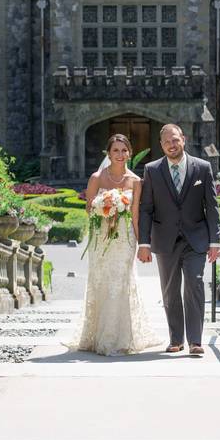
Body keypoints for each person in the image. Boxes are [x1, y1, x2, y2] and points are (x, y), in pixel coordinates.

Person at [71, 134, 160, 356]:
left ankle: (120, 337)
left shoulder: (136, 182)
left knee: (122, 282)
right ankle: (96, 334)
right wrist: (104, 207)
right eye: (115, 151)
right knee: (101, 281)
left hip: (124, 239)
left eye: (124, 150)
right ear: (108, 154)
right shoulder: (96, 178)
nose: (120, 155)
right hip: (101, 239)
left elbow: (136, 214)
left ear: (129, 152)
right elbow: (89, 209)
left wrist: (143, 245)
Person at [137, 124, 220, 357]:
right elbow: (146, 209)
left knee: (195, 283)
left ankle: (195, 341)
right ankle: (176, 339)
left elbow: (212, 207)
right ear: (161, 145)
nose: (171, 145)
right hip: (165, 240)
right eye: (166, 142)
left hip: (196, 239)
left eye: (175, 140)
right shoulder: (152, 170)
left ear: (183, 139)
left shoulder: (202, 168)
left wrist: (215, 241)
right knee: (170, 290)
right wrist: (144, 243)